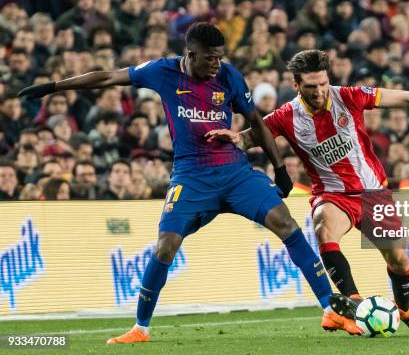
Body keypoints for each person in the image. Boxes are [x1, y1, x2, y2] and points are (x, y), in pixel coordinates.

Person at [19, 23, 356, 344]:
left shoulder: (228, 76)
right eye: (210, 57)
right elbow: (108, 76)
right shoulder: (162, 71)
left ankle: (330, 308)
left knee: (286, 224)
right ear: (191, 54)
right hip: (191, 176)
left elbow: (256, 121)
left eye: (221, 56)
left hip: (235, 172)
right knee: (166, 245)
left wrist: (279, 170)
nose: (217, 64)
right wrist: (53, 87)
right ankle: (140, 327)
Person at [207, 49, 409, 332]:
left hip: (374, 192)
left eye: (323, 83)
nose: (320, 91)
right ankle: (355, 305)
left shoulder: (348, 96)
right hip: (332, 195)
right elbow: (250, 138)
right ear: (295, 84)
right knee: (323, 229)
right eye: (311, 86)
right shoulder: (286, 116)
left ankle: (405, 310)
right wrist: (235, 137)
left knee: (398, 260)